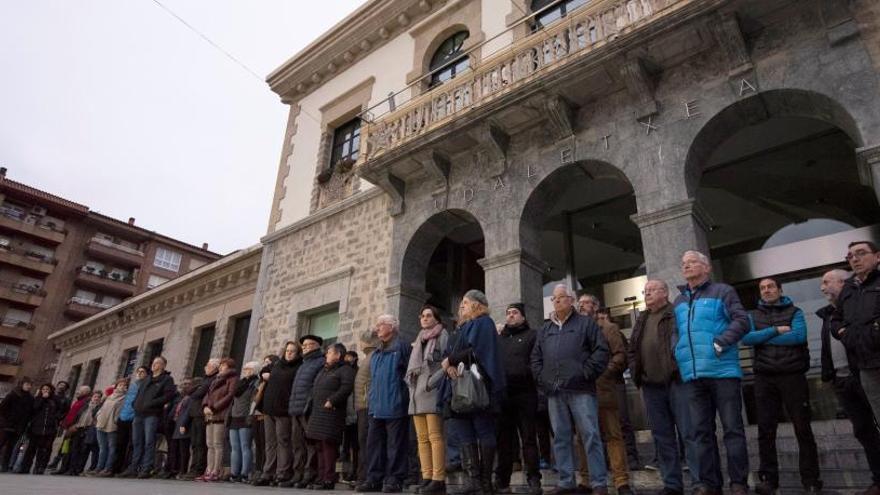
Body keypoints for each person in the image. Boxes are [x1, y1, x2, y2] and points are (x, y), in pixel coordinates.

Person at [673, 250, 750, 495]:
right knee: (700, 433)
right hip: (693, 376)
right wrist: (677, 349)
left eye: (692, 262)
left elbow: (742, 320)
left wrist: (721, 342)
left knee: (732, 430)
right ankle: (708, 484)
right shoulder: (680, 301)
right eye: (683, 263)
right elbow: (674, 331)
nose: (686, 266)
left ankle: (738, 483)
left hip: (723, 371)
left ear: (706, 267)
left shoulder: (723, 291)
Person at [742, 277, 822, 494]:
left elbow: (798, 336)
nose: (766, 290)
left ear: (779, 289)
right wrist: (776, 331)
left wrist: (763, 338)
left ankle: (811, 480)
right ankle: (769, 479)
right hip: (764, 378)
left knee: (802, 428)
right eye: (762, 288)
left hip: (792, 375)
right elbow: (747, 338)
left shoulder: (794, 312)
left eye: (770, 287)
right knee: (765, 430)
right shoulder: (753, 315)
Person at [533, 284, 609, 495]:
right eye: (554, 298)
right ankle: (566, 481)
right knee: (560, 437)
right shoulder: (545, 329)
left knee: (590, 435)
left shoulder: (586, 324)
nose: (556, 301)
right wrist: (542, 378)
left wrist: (585, 373)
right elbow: (535, 358)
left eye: (561, 297)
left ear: (572, 301)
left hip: (581, 390)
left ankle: (599, 482)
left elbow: (601, 352)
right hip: (554, 392)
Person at [629, 279, 699, 495]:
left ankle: (699, 484)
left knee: (689, 433)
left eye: (651, 290)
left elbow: (686, 341)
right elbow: (633, 349)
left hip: (676, 382)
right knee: (662, 436)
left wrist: (677, 366)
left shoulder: (675, 313)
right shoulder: (642, 318)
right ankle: (672, 484)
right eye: (645, 291)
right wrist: (637, 373)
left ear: (664, 293)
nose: (646, 294)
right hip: (651, 386)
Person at [819, 269, 880, 495]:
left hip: (864, 373)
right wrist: (829, 377)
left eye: (826, 282)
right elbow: (827, 348)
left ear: (843, 283)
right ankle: (878, 479)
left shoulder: (858, 306)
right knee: (863, 430)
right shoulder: (828, 315)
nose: (822, 287)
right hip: (843, 381)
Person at [439, 290, 506, 495]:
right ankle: (473, 480)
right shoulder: (464, 327)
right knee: (464, 433)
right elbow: (455, 353)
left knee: (483, 430)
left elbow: (476, 351)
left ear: (478, 304)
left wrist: (451, 360)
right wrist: (450, 364)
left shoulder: (484, 323)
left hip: (478, 387)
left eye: (466, 303)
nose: (462, 306)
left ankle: (486, 482)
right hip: (460, 389)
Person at [577, 296, 633, 495]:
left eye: (587, 303)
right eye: (580, 303)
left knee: (613, 435)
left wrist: (605, 371)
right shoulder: (574, 329)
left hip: (604, 389)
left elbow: (620, 355)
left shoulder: (608, 329)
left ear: (596, 307)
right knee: (584, 437)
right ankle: (585, 479)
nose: (582, 305)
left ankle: (621, 480)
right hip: (581, 391)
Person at [356, 314, 412, 493]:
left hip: (395, 403)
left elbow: (409, 376)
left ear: (392, 327)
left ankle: (394, 479)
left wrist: (402, 398)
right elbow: (373, 379)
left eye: (381, 324)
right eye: (377, 324)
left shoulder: (402, 347)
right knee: (374, 445)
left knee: (395, 445)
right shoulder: (377, 351)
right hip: (376, 406)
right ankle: (374, 479)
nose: (377, 328)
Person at [495, 303, 542, 495]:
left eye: (515, 313)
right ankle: (502, 481)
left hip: (526, 394)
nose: (511, 316)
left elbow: (537, 360)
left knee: (529, 439)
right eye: (508, 313)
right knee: (504, 441)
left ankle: (533, 480)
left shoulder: (532, 335)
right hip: (504, 396)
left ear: (523, 317)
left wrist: (526, 374)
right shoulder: (500, 339)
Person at [406, 304, 449, 495]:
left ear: (437, 319)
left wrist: (432, 382)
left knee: (435, 437)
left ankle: (438, 479)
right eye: (422, 315)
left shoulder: (442, 335)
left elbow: (447, 362)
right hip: (416, 394)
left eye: (429, 315)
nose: (424, 318)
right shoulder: (419, 338)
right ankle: (427, 477)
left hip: (431, 391)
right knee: (422, 439)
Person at [834, 241, 880, 418]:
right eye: (850, 256)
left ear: (877, 256)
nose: (855, 259)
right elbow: (836, 318)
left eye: (861, 253)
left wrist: (875, 332)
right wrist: (843, 333)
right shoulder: (848, 288)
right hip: (865, 365)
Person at [306, 342, 356, 489]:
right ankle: (321, 477)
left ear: (338, 355)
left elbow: (346, 387)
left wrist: (332, 400)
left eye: (329, 352)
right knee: (320, 446)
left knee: (328, 446)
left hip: (331, 413)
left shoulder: (345, 369)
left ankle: (329, 479)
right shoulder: (324, 370)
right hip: (318, 412)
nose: (326, 355)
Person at [254, 344, 300, 486]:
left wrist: (271, 376)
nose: (289, 353)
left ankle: (282, 473)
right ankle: (268, 473)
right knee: (270, 443)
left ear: (297, 353)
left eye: (292, 351)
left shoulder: (298, 367)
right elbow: (263, 370)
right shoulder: (278, 364)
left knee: (283, 442)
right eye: (287, 351)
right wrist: (263, 374)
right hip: (269, 410)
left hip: (283, 410)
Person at [287, 335, 327, 488]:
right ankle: (298, 474)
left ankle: (309, 474)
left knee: (310, 444)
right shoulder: (304, 363)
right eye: (303, 345)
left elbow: (315, 387)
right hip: (295, 409)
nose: (305, 347)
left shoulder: (320, 361)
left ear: (317, 345)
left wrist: (309, 405)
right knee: (297, 444)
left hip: (307, 409)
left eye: (308, 345)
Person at [128, 356, 176, 478]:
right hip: (138, 414)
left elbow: (168, 396)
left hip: (152, 414)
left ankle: (146, 468)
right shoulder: (147, 379)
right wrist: (135, 404)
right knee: (136, 441)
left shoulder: (167, 379)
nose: (154, 365)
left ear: (163, 365)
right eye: (153, 362)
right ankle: (133, 467)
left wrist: (151, 403)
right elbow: (139, 394)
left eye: (157, 363)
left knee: (149, 442)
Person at [200, 357, 238, 481]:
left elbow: (230, 395)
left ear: (229, 366)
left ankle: (216, 470)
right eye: (220, 365)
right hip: (210, 414)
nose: (221, 367)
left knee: (217, 443)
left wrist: (214, 407)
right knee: (209, 444)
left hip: (220, 414)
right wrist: (205, 406)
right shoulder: (216, 379)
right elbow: (208, 394)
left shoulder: (232, 378)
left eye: (223, 365)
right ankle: (209, 469)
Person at [181, 358, 219, 480]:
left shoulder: (212, 380)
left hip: (202, 415)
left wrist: (196, 390)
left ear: (214, 367)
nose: (205, 367)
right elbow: (189, 391)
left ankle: (198, 469)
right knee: (195, 444)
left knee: (200, 443)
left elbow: (197, 393)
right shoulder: (204, 380)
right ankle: (193, 468)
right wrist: (195, 390)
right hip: (194, 414)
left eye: (208, 365)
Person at [355, 329, 382, 484]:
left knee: (367, 442)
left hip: (367, 405)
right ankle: (363, 475)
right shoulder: (368, 357)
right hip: (363, 406)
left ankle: (366, 476)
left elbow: (372, 382)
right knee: (363, 441)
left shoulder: (373, 357)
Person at [19, 384, 63, 474]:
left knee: (44, 449)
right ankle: (25, 467)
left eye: (47, 389)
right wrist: (43, 398)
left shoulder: (55, 400)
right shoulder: (37, 399)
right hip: (36, 428)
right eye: (43, 389)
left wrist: (56, 418)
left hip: (49, 428)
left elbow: (61, 411)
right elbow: (34, 409)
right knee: (31, 449)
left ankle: (40, 467)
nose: (45, 391)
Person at [229, 361, 260, 482]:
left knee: (245, 446)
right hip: (235, 417)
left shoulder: (255, 383)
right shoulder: (241, 383)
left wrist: (250, 417)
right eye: (245, 368)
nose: (246, 370)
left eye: (249, 369)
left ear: (255, 370)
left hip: (245, 417)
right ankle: (234, 473)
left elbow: (253, 401)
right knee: (235, 447)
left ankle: (245, 473)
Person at [114, 366, 146, 474]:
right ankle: (116, 468)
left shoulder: (145, 385)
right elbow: (111, 391)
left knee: (132, 444)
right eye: (138, 371)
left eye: (142, 372)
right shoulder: (132, 386)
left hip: (134, 417)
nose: (140, 373)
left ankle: (128, 467)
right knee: (120, 444)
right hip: (123, 417)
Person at [54, 385, 92, 475]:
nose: (78, 391)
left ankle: (71, 469)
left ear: (86, 392)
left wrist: (76, 426)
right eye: (79, 390)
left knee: (74, 449)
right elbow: (71, 413)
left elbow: (82, 415)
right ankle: (63, 467)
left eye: (81, 390)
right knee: (65, 449)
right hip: (69, 428)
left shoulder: (86, 401)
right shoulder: (78, 401)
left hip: (76, 429)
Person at [251, 355, 278, 482]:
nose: (265, 365)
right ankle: (258, 469)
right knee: (258, 444)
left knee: (266, 443)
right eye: (264, 362)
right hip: (256, 413)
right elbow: (255, 398)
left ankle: (264, 469)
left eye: (268, 362)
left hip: (265, 413)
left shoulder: (271, 379)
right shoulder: (260, 381)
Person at [94, 378, 128, 477]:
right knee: (102, 448)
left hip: (112, 425)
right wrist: (98, 416)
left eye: (124, 385)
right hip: (101, 423)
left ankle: (108, 468)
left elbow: (120, 412)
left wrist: (115, 421)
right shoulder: (109, 396)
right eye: (120, 385)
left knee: (112, 448)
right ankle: (99, 468)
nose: (122, 386)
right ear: (116, 386)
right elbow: (102, 407)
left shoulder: (124, 398)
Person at [0, 376, 33, 472]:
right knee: (1, 443)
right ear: (22, 384)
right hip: (7, 425)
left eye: (30, 385)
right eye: (27, 384)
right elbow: (2, 408)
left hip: (19, 427)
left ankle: (5, 465)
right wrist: (6, 421)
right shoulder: (13, 394)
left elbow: (29, 413)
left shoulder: (30, 398)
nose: (28, 387)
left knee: (11, 447)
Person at [68, 391, 103, 476]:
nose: (96, 398)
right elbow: (78, 416)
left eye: (98, 397)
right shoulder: (85, 406)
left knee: (84, 451)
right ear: (92, 397)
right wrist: (73, 425)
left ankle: (79, 469)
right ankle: (72, 468)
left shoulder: (99, 408)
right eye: (95, 396)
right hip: (78, 428)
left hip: (88, 430)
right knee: (75, 449)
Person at [170, 377, 196, 480]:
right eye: (183, 384)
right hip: (178, 425)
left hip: (184, 426)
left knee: (184, 450)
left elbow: (187, 412)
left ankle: (183, 470)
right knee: (177, 449)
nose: (185, 386)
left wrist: (183, 425)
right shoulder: (183, 398)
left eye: (187, 384)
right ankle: (176, 469)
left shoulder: (190, 398)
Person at [342, 350, 360, 482]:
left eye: (350, 357)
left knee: (355, 446)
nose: (347, 359)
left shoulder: (357, 372)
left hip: (354, 415)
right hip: (345, 415)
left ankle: (354, 471)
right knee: (345, 446)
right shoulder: (344, 371)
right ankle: (344, 472)